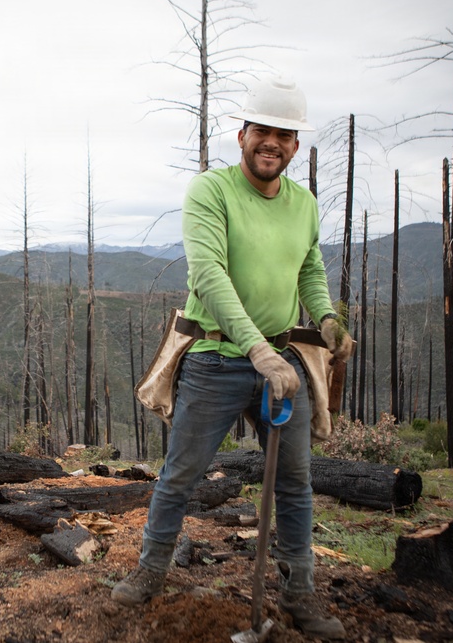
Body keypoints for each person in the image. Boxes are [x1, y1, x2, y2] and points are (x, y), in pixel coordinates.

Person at [111, 74, 353, 641]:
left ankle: (299, 591)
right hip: (218, 359)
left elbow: (310, 269)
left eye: (284, 135)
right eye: (262, 131)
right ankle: (152, 568)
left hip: (279, 360)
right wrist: (259, 352)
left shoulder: (303, 203)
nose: (272, 142)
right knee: (181, 473)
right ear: (242, 134)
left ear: (295, 146)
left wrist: (326, 318)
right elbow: (209, 276)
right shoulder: (211, 192)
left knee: (294, 480)